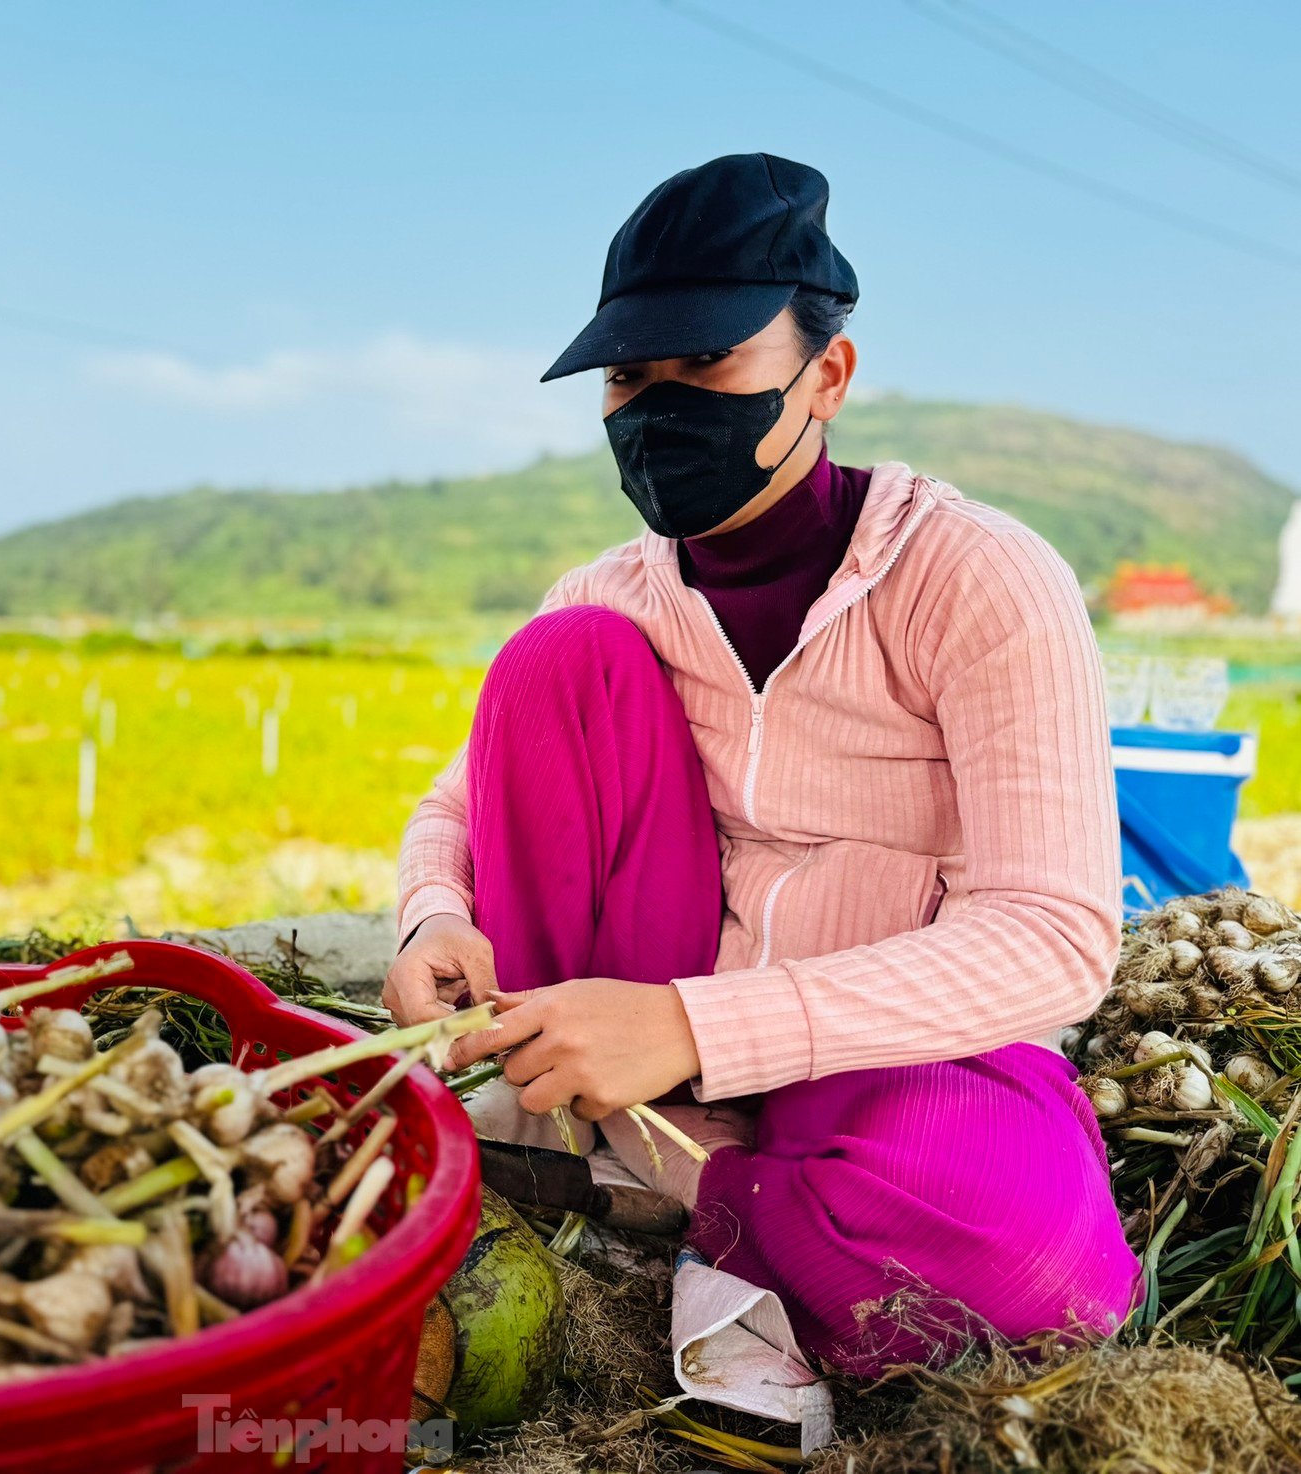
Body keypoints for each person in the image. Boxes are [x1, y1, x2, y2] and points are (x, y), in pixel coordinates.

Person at [385, 153, 1140, 1391]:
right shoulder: (613, 589)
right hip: (639, 1026)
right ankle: (692, 1174)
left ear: (825, 375)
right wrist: (434, 916)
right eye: (631, 377)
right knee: (556, 657)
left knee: (1031, 1268)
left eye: (709, 365)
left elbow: (1053, 934)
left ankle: (669, 1191)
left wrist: (692, 1023)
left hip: (886, 1056)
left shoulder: (977, 579)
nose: (658, 407)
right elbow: (456, 805)